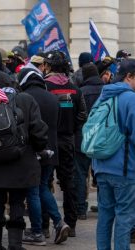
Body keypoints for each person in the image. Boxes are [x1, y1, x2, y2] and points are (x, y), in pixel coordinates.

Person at [0, 85, 48, 250]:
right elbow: (38, 130)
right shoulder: (25, 99)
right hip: (20, 161)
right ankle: (15, 244)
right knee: (17, 202)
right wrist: (40, 149)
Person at [18, 68, 70, 246]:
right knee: (43, 188)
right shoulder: (52, 97)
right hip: (52, 150)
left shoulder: (24, 97)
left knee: (33, 191)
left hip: (33, 151)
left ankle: (37, 231)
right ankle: (58, 222)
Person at [92, 59, 135, 250]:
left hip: (101, 166)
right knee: (124, 218)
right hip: (124, 169)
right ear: (129, 76)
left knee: (105, 216)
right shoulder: (130, 99)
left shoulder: (103, 95)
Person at [44, 50, 88, 237]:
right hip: (67, 141)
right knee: (68, 183)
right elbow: (82, 115)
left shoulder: (44, 88)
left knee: (44, 184)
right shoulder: (75, 89)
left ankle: (44, 226)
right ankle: (71, 224)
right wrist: (71, 128)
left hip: (47, 142)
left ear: (49, 66)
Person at [74, 63, 104, 220]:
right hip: (103, 139)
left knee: (80, 173)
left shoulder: (81, 92)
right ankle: (103, 205)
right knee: (102, 173)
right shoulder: (106, 90)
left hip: (83, 138)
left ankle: (80, 209)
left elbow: (77, 117)